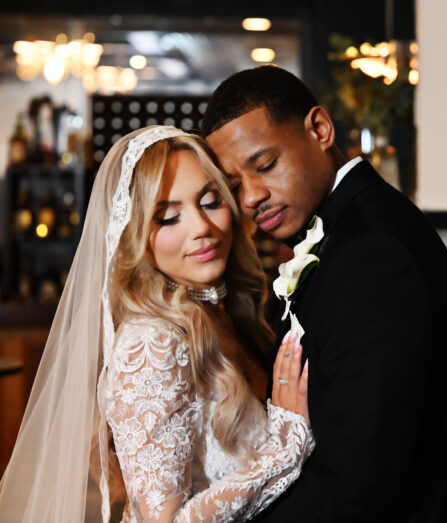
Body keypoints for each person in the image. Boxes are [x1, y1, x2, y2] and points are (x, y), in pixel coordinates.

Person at [201, 65, 447, 522]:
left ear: (319, 129)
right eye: (234, 186)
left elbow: (362, 483)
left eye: (266, 165)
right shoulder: (346, 230)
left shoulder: (373, 253)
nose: (252, 197)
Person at [0, 126, 315, 522]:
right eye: (168, 218)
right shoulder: (153, 344)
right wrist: (283, 451)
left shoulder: (220, 312)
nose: (201, 228)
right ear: (134, 236)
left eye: (210, 201)